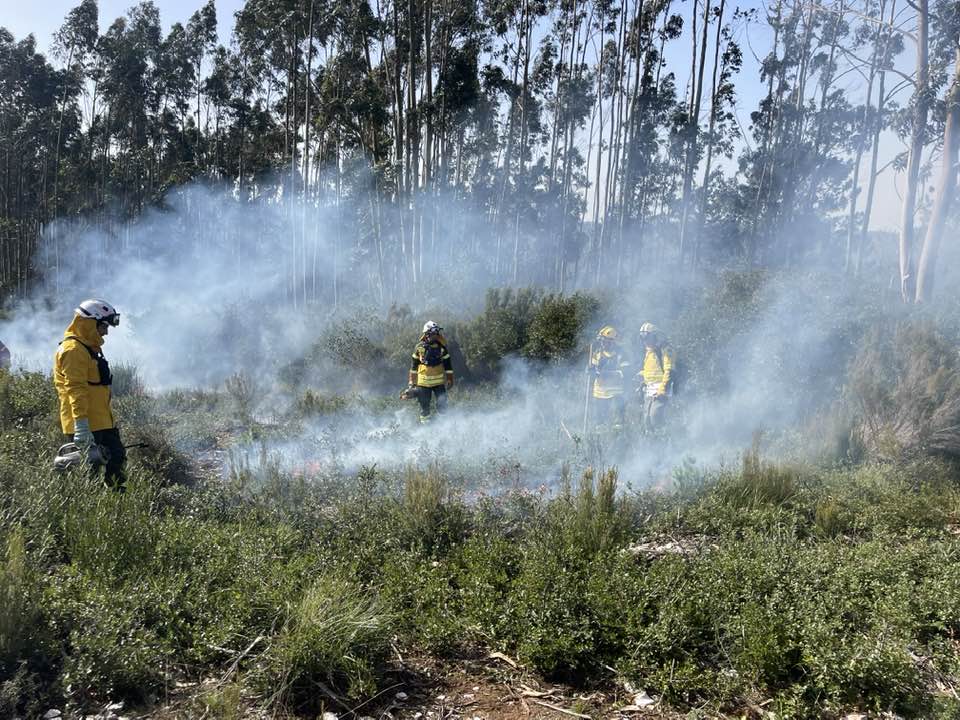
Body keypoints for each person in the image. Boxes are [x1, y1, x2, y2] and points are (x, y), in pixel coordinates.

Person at [53, 299, 126, 488]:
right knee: (89, 474)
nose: (106, 332)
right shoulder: (73, 350)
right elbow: (75, 389)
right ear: (89, 323)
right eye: (103, 326)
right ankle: (89, 508)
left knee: (117, 459)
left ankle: (117, 503)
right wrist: (81, 427)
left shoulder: (89, 349)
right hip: (85, 424)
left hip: (101, 422)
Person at [408, 321, 454, 423]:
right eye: (433, 333)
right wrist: (411, 383)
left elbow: (448, 365)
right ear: (426, 334)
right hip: (423, 384)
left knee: (442, 405)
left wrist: (450, 379)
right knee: (425, 408)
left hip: (438, 383)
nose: (435, 336)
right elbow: (413, 367)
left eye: (436, 334)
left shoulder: (442, 348)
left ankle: (443, 426)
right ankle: (426, 429)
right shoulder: (419, 348)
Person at [635, 322, 673, 433]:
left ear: (655, 336)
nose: (644, 341)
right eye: (642, 338)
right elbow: (651, 371)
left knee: (655, 416)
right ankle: (651, 443)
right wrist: (641, 377)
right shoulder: (649, 352)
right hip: (650, 388)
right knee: (646, 419)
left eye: (647, 337)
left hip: (662, 388)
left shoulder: (666, 350)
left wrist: (662, 390)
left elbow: (669, 372)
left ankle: (664, 439)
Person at [588, 325, 629, 428]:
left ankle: (618, 440)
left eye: (605, 341)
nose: (602, 343)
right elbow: (592, 367)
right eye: (601, 340)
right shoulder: (597, 352)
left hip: (616, 394)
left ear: (612, 341)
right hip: (599, 393)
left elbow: (626, 372)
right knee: (600, 424)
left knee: (618, 424)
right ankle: (600, 442)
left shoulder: (621, 354)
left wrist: (606, 374)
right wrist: (589, 370)